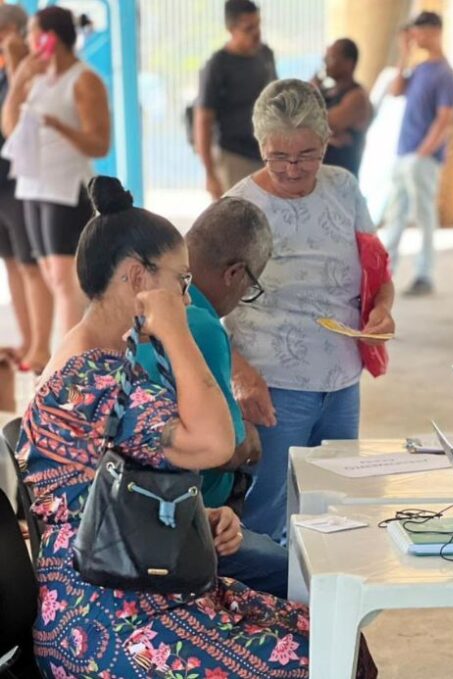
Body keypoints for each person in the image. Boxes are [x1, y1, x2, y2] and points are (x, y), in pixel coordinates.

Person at [18, 175, 377, 678]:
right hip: (107, 616)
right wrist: (174, 328)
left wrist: (193, 515)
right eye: (180, 282)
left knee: (333, 636)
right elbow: (216, 442)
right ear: (136, 278)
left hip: (136, 578)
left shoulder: (108, 360)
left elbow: (118, 488)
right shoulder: (90, 372)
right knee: (323, 656)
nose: (188, 298)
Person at [226, 79, 395, 544]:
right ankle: (265, 613)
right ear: (260, 145)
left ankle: (323, 613)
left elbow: (376, 271)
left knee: (337, 506)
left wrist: (382, 310)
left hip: (342, 381)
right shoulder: (240, 207)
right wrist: (240, 373)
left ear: (327, 142)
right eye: (278, 155)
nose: (292, 168)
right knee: (267, 514)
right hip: (273, 385)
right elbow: (194, 301)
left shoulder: (343, 187)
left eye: (306, 154)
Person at [135, 196, 288, 598]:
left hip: (161, 516)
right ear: (235, 273)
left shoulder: (130, 316)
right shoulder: (198, 324)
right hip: (182, 526)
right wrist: (249, 440)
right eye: (250, 287)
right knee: (304, 572)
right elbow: (226, 448)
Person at [1, 5, 110, 347]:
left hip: (66, 189)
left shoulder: (84, 80)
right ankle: (67, 356)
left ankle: (68, 363)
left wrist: (62, 127)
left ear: (50, 38)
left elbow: (99, 144)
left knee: (65, 282)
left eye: (31, 33)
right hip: (33, 185)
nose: (26, 41)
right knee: (52, 278)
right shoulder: (35, 76)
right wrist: (18, 81)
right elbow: (9, 128)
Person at [383, 10, 453, 296]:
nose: (416, 37)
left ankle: (425, 274)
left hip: (421, 158)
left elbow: (445, 119)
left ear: (435, 31)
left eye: (420, 31)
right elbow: (395, 90)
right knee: (396, 216)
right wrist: (404, 53)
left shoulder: (446, 74)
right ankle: (384, 274)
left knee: (424, 216)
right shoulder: (420, 69)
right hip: (404, 153)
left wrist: (422, 154)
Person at [0, 4, 52, 375]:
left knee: (31, 264)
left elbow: (23, 116)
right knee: (12, 263)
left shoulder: (30, 67)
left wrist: (17, 60)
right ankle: (27, 339)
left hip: (19, 179)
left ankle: (41, 344)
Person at [195, 0, 276, 200]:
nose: (256, 33)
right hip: (233, 157)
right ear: (231, 29)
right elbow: (203, 120)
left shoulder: (266, 55)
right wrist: (210, 174)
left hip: (267, 155)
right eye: (248, 28)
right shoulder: (218, 65)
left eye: (258, 25)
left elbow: (276, 98)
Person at [317, 38, 370, 177]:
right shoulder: (326, 91)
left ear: (349, 63)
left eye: (331, 58)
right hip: (322, 180)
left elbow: (325, 123)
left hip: (343, 182)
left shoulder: (357, 97)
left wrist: (319, 133)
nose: (326, 62)